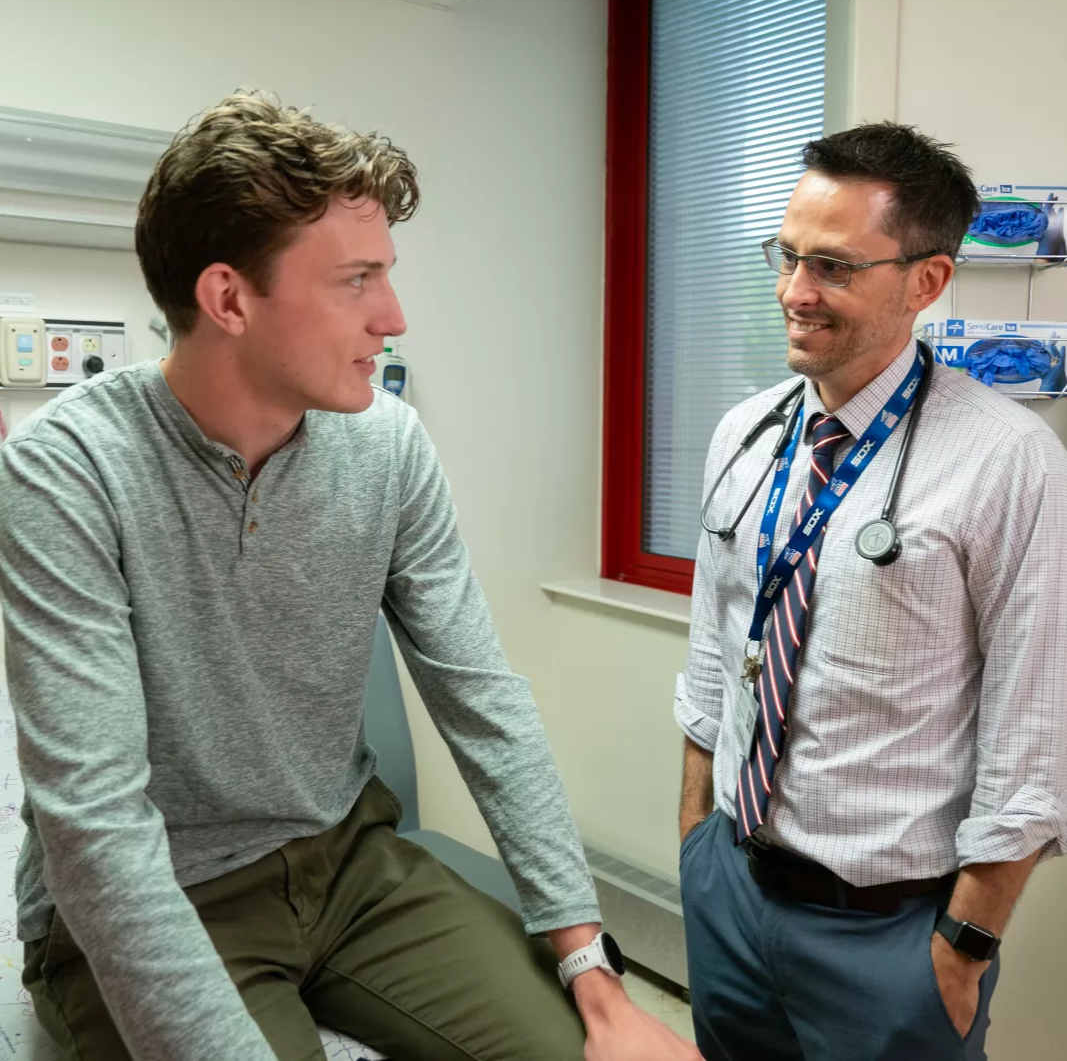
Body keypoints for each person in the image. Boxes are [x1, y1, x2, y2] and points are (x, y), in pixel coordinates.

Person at [0, 92, 699, 1061]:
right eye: (356, 279)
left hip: (349, 865)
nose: (393, 315)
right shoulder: (67, 470)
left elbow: (481, 698)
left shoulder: (385, 446)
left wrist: (588, 962)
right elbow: (95, 818)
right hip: (160, 888)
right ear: (228, 298)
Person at [675, 122, 1067, 1061]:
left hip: (889, 934)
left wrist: (962, 946)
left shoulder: (1009, 463)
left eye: (835, 269)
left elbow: (1034, 737)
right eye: (788, 255)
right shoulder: (744, 431)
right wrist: (696, 844)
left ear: (926, 282)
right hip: (729, 891)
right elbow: (710, 658)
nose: (793, 292)